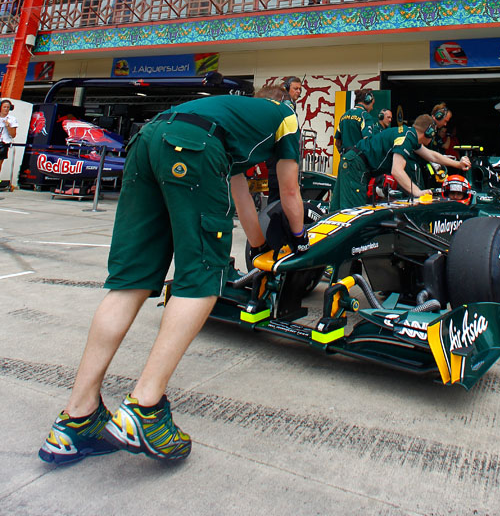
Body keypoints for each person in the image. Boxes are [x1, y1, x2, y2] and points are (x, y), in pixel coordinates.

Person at [39, 85, 305, 466]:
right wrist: (299, 241)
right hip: (192, 148)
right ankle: (144, 407)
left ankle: (75, 419)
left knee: (128, 282)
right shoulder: (285, 116)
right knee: (200, 277)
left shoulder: (228, 114)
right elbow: (290, 191)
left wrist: (261, 247)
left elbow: (241, 195)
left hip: (148, 141)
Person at [330, 114, 472, 211]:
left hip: (350, 161)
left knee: (335, 211)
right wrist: (418, 192)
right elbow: (397, 171)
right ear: (429, 133)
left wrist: (458, 164)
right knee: (351, 214)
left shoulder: (408, 134)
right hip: (356, 165)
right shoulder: (406, 138)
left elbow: (432, 156)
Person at [334, 90, 376, 161]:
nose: (372, 108)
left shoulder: (344, 115)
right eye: (372, 104)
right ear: (367, 100)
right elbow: (367, 141)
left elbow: (337, 143)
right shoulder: (365, 116)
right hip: (358, 160)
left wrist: (345, 154)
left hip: (344, 160)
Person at [0, 98, 18, 190]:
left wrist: (8, 126)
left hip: (3, 143)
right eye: (4, 107)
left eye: (8, 107)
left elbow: (13, 134)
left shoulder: (12, 119)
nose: (6, 109)